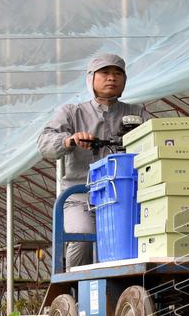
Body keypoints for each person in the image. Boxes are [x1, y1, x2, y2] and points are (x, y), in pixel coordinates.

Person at [37, 53, 142, 268]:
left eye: (118, 73)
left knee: (141, 237)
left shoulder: (136, 112)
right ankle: (74, 286)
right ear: (91, 78)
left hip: (125, 196)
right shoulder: (72, 113)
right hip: (81, 197)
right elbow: (44, 143)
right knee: (83, 238)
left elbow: (156, 139)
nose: (111, 78)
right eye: (104, 73)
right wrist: (69, 140)